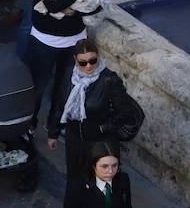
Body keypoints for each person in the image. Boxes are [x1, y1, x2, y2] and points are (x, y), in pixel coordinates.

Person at [46, 38, 140, 193]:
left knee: (101, 187)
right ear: (76, 61)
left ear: (98, 57)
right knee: (75, 181)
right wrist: (53, 133)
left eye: (92, 60)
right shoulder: (69, 75)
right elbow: (60, 104)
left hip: (100, 142)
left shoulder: (109, 80)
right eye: (83, 63)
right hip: (74, 138)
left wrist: (103, 128)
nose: (89, 66)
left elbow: (125, 112)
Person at [26, 0, 94, 119]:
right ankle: (29, 125)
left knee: (64, 88)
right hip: (46, 40)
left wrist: (69, 5)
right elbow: (52, 5)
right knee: (38, 86)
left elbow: (94, 3)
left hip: (74, 39)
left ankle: (54, 126)